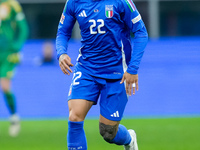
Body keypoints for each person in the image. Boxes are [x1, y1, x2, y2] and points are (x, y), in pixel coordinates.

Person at [56, 0, 148, 149]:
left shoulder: (121, 2)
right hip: (87, 69)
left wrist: (133, 69)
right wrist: (61, 53)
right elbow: (63, 31)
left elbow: (141, 32)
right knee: (74, 117)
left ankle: (129, 138)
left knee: (108, 132)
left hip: (116, 73)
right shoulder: (74, 2)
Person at [0, 0, 28, 137]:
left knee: (5, 86)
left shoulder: (11, 4)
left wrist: (17, 46)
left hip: (6, 53)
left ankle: (14, 118)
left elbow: (23, 27)